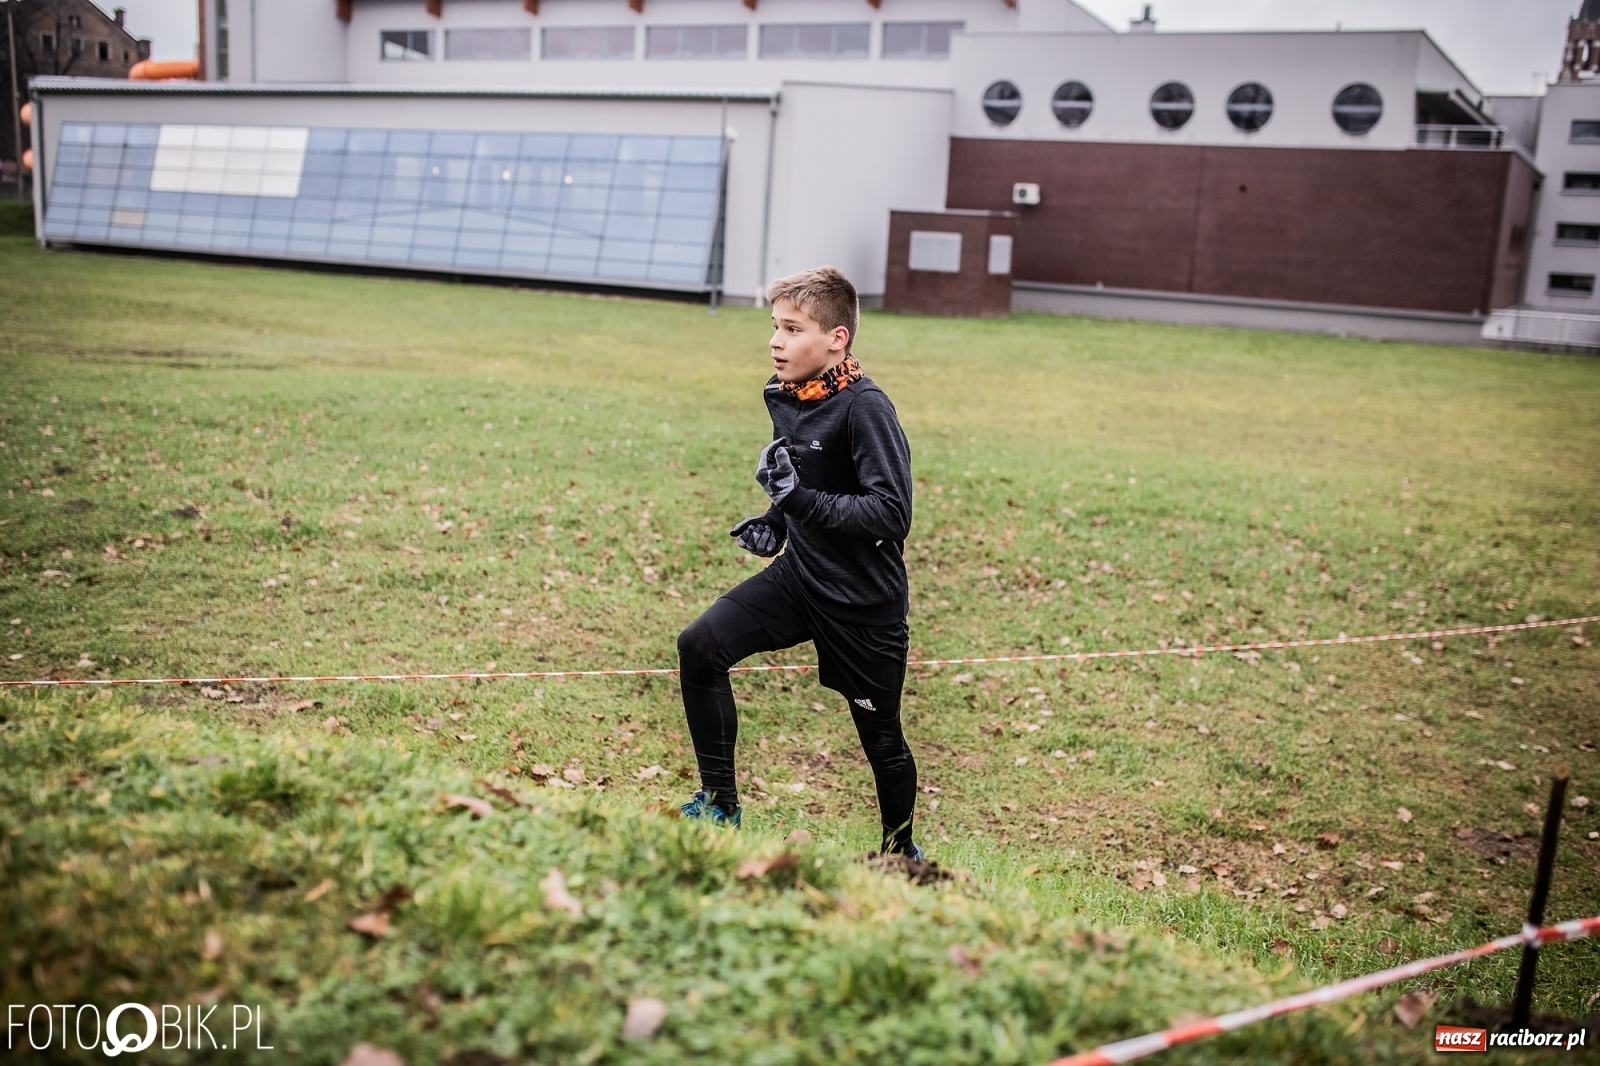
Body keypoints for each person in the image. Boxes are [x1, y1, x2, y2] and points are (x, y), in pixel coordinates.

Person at [675, 266, 922, 858]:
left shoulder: (867, 409)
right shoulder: (785, 394)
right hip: (801, 578)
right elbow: (804, 480)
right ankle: (720, 804)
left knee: (881, 738)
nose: (775, 341)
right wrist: (774, 521)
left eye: (792, 329)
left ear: (837, 339)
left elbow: (891, 513)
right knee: (700, 646)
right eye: (774, 327)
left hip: (863, 602)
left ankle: (899, 854)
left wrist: (798, 501)